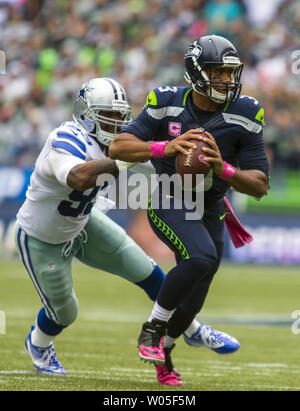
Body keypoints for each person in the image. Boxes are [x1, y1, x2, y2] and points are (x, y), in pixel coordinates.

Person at [14, 77, 239, 386]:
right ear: (86, 114)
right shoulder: (65, 138)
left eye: (121, 116)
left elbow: (161, 168)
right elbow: (79, 177)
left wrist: (208, 183)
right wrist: (132, 158)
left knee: (149, 272)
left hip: (84, 223)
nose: (118, 122)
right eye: (111, 115)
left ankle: (192, 329)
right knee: (64, 312)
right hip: (43, 239)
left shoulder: (115, 144)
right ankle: (38, 344)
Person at [109, 34, 269, 386]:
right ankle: (152, 329)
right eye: (218, 72)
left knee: (196, 294)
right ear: (196, 72)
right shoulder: (166, 101)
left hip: (211, 205)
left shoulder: (246, 112)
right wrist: (164, 148)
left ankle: (164, 350)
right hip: (168, 195)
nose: (227, 80)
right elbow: (118, 146)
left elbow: (259, 185)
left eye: (230, 73)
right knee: (199, 257)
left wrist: (223, 169)